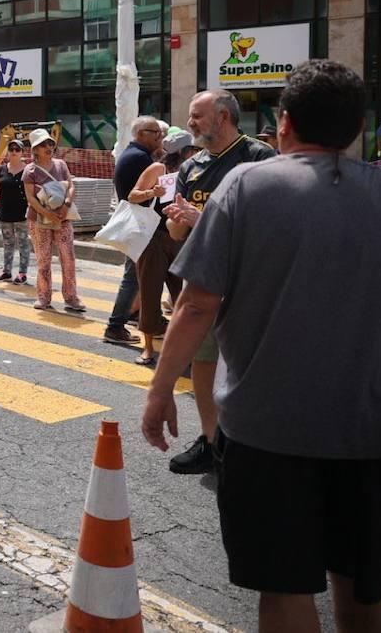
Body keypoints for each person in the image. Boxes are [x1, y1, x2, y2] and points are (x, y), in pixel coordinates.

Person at [143, 61, 381, 633]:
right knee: (364, 587)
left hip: (266, 433)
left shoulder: (246, 187)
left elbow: (194, 304)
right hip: (375, 433)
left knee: (284, 592)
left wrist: (161, 391)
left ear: (282, 125)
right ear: (358, 127)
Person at [160, 89, 275, 475]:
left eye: (196, 116)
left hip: (247, 282)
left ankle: (250, 440)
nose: (189, 123)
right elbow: (177, 234)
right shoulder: (191, 168)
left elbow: (269, 226)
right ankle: (211, 442)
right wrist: (177, 219)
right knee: (203, 361)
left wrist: (201, 217)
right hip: (204, 280)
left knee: (247, 364)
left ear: (223, 117)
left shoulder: (259, 158)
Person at [125, 129, 196, 366]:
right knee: (150, 293)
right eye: (192, 151)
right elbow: (132, 195)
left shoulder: (194, 172)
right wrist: (151, 192)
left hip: (180, 239)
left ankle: (183, 346)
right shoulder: (158, 169)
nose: (195, 154)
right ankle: (147, 348)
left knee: (182, 297)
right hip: (153, 239)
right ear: (182, 152)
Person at [102, 117, 163, 347]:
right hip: (140, 225)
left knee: (138, 277)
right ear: (140, 134)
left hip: (138, 223)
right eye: (154, 132)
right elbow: (139, 192)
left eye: (160, 132)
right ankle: (115, 325)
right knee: (133, 277)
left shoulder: (134, 154)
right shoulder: (140, 158)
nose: (160, 137)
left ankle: (136, 316)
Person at [21, 128, 84, 314]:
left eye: (50, 143)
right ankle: (43, 296)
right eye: (43, 145)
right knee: (44, 259)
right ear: (35, 150)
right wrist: (46, 214)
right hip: (39, 219)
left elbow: (71, 186)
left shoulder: (61, 165)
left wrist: (66, 203)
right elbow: (30, 198)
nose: (48, 147)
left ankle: (71, 297)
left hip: (63, 218)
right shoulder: (29, 170)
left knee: (68, 258)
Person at [0, 139, 31, 285]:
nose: (13, 152)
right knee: (8, 243)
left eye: (17, 150)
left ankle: (22, 273)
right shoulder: (1, 169)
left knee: (23, 243)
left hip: (21, 213)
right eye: (11, 149)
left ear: (22, 152)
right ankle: (6, 271)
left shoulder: (28, 170)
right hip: (5, 212)